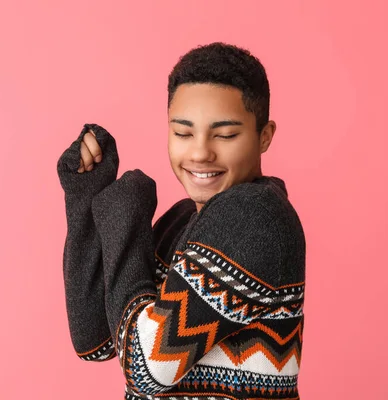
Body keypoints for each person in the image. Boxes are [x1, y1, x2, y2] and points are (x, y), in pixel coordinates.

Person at [57, 42, 306, 399]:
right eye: (183, 133)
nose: (201, 152)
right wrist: (86, 199)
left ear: (263, 136)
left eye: (225, 135)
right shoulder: (184, 219)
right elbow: (95, 340)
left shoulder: (256, 216)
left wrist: (126, 217)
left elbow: (145, 369)